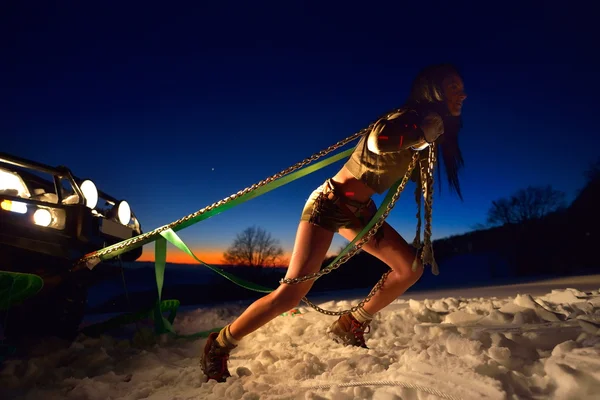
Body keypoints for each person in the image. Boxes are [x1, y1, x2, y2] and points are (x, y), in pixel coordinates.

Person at [200, 63, 467, 382]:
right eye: (453, 86)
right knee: (290, 295)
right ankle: (218, 345)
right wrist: (419, 134)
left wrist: (425, 140)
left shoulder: (423, 131)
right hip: (329, 203)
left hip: (360, 210)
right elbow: (380, 140)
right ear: (433, 89)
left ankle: (350, 323)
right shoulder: (403, 118)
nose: (462, 93)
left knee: (409, 268)